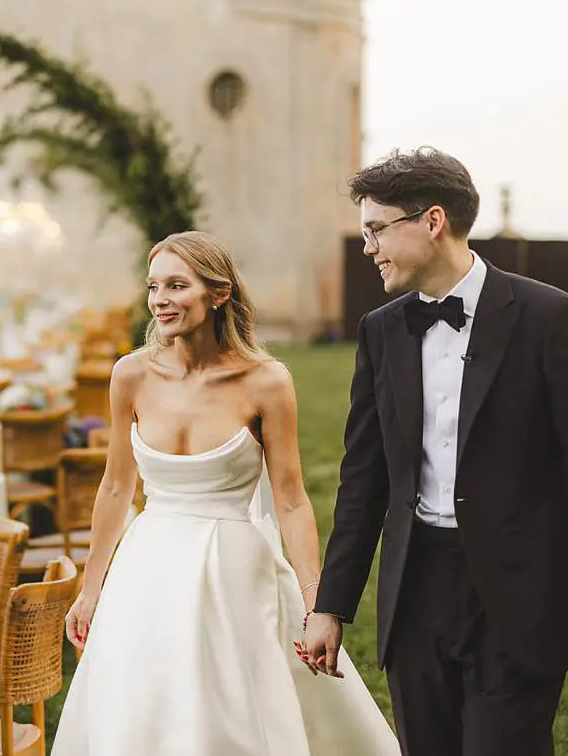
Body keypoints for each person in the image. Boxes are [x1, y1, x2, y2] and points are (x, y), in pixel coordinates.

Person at [303, 147, 568, 756]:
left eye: (377, 229)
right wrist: (330, 605)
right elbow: (363, 478)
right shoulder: (381, 330)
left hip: (517, 595)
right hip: (414, 592)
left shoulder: (550, 318)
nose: (369, 248)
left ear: (432, 221)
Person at [53, 231, 398, 756]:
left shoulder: (267, 381)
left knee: (233, 713)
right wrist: (91, 586)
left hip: (234, 574)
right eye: (153, 287)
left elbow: (290, 499)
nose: (160, 299)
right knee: (138, 710)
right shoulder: (130, 375)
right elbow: (117, 486)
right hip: (146, 567)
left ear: (218, 294)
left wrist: (315, 605)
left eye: (176, 285)